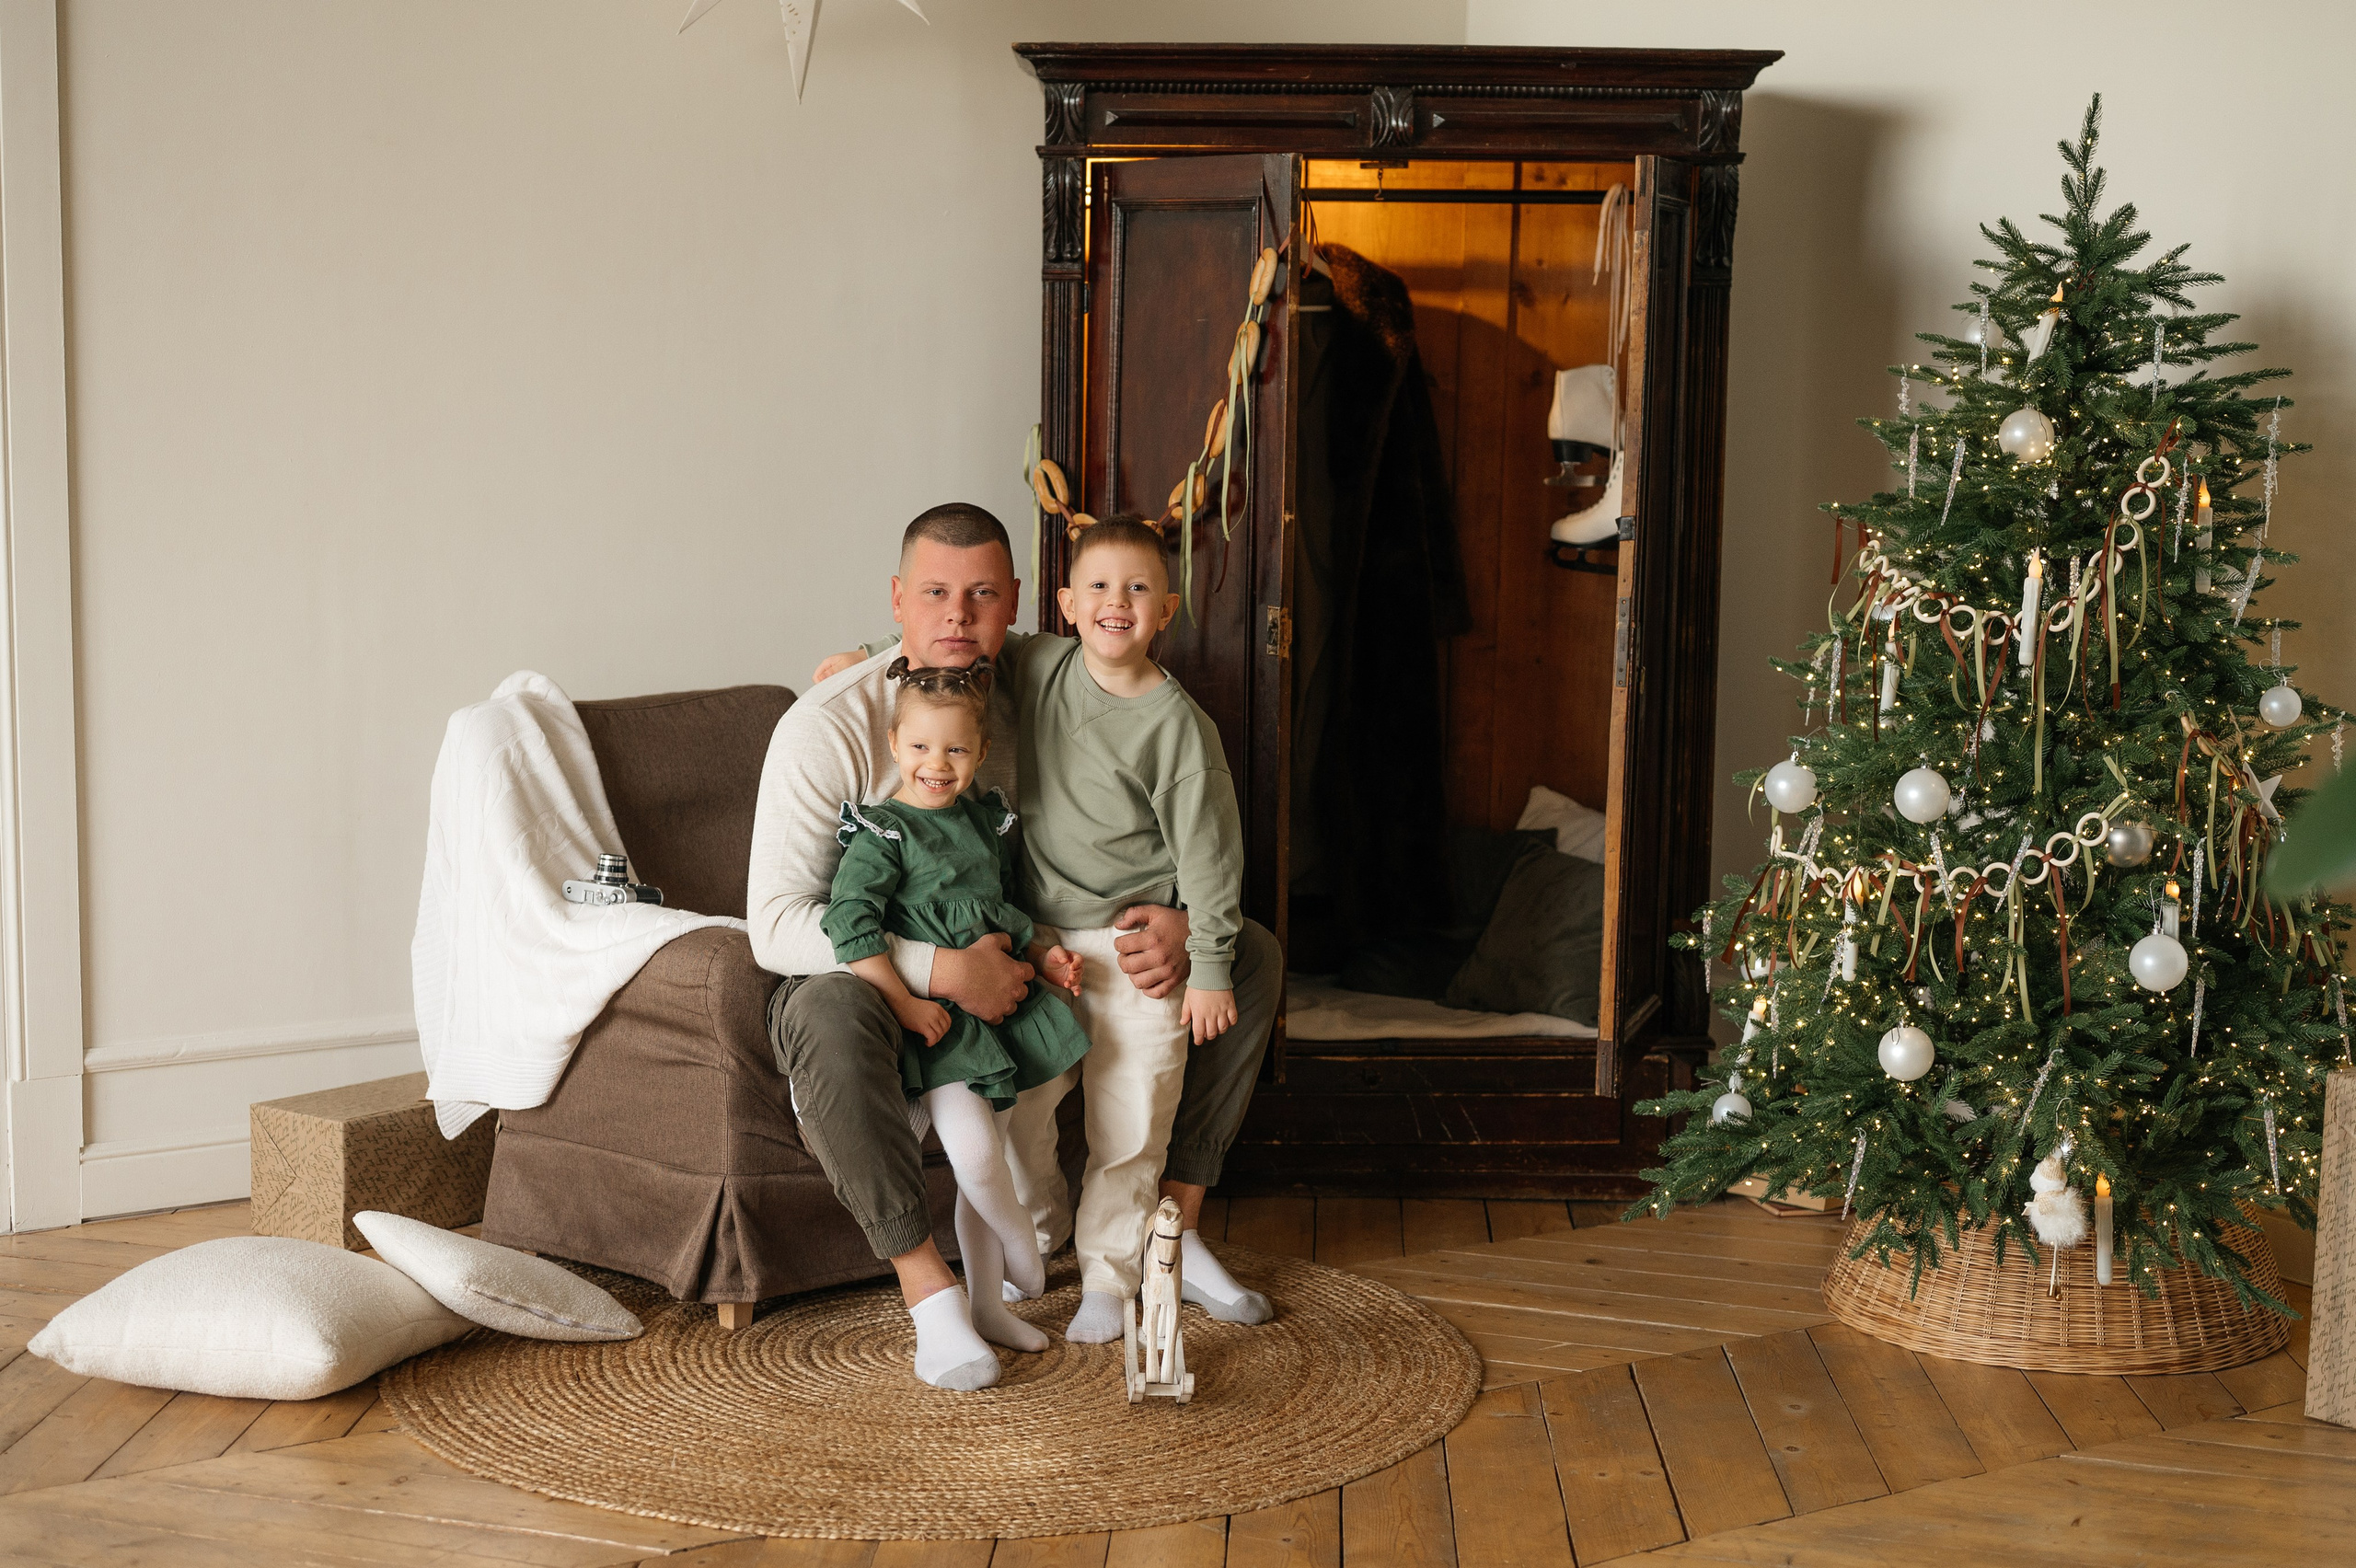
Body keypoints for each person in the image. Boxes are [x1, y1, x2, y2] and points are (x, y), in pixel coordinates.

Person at [751, 502, 1278, 1392]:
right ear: (897, 599)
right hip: (871, 965)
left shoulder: (1041, 680)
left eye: (983, 596)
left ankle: (1170, 1229)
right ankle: (930, 1293)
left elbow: (1149, 830)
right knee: (828, 1014)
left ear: (1022, 604)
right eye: (934, 595)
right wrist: (942, 970)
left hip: (1033, 940)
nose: (958, 617)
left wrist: (1183, 919)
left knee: (1248, 953)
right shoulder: (826, 725)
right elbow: (774, 923)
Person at [990, 515, 1251, 1343]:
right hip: (1044, 944)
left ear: (1165, 610)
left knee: (1132, 1122)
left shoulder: (1179, 727)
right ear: (1066, 603)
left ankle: (1108, 1277)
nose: (1117, 602)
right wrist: (864, 654)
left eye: (1138, 588)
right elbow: (960, 640)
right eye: (1098, 586)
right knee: (1022, 1111)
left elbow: (1211, 859)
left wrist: (1210, 967)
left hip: (1138, 953)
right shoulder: (1038, 664)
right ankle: (1038, 1236)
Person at [822, 657, 1090, 1360]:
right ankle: (1023, 1253)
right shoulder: (884, 832)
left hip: (996, 1021)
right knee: (974, 1157)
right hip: (937, 1027)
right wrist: (905, 1005)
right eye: (919, 746)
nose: (936, 765)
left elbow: (997, 915)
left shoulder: (982, 821)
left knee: (988, 1162)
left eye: (956, 750)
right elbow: (849, 927)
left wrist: (1041, 956)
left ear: (981, 751)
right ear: (893, 744)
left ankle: (988, 1308)